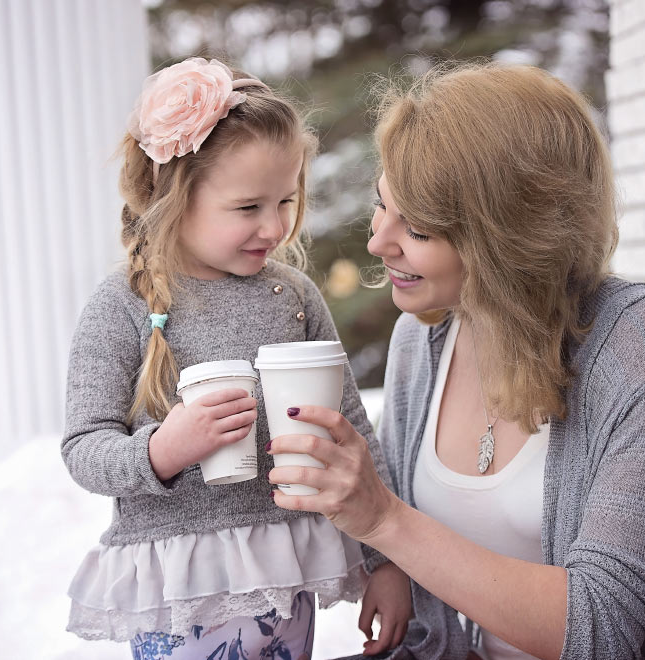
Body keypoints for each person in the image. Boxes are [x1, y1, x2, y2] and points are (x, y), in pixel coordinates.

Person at [267, 62, 645, 660]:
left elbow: (602, 627)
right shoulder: (421, 341)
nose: (379, 242)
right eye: (382, 206)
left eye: (421, 229)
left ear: (508, 237)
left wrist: (384, 519)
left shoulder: (639, 340)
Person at [61, 57, 411, 659]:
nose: (275, 227)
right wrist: (162, 451)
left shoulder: (293, 297)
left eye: (286, 200)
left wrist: (387, 560)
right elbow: (82, 448)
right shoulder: (125, 303)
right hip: (180, 586)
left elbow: (350, 429)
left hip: (282, 571)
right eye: (249, 207)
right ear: (173, 195)